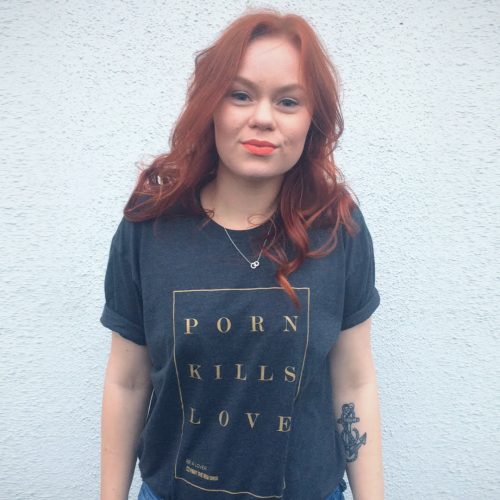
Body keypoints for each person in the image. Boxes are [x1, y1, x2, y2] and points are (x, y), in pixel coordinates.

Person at [100, 8, 383, 500]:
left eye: (288, 101)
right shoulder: (149, 228)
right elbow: (127, 382)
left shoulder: (338, 229)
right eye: (241, 94)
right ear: (211, 104)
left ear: (312, 119)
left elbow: (354, 382)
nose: (263, 118)